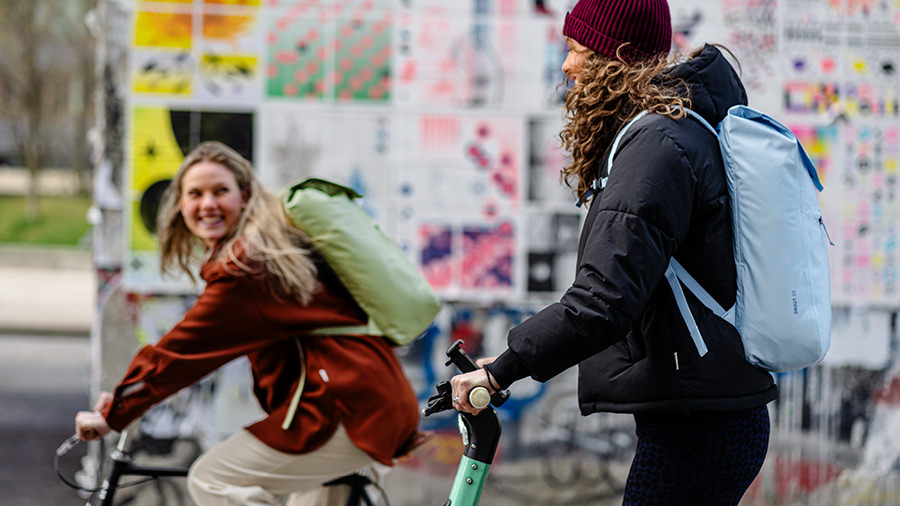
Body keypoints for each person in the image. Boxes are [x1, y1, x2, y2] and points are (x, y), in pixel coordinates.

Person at [450, 0, 777, 504]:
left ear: (615, 55)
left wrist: (502, 371)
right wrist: (510, 358)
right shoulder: (671, 132)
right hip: (705, 414)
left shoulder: (657, 146)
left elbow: (603, 300)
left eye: (578, 50)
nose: (566, 66)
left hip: (701, 425)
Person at [75, 141, 422, 505]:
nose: (207, 204)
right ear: (181, 205)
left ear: (244, 196)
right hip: (368, 401)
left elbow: (181, 352)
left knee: (214, 481)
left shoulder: (245, 267)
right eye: (195, 194)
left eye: (220, 191)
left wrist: (116, 411)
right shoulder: (271, 250)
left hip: (345, 408)